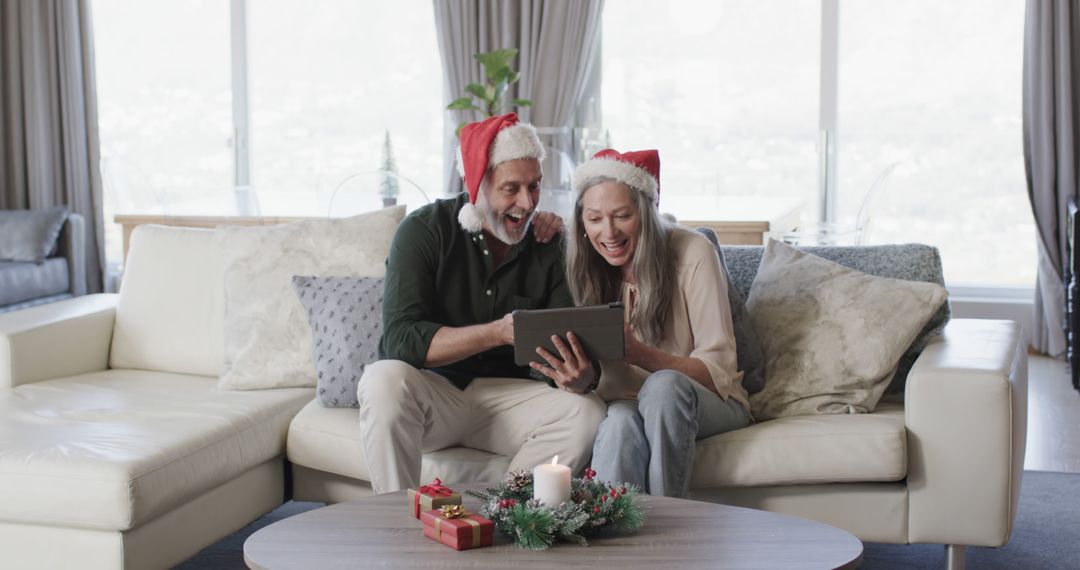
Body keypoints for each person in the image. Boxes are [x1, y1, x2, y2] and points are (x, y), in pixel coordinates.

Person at [357, 113, 605, 494]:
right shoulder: (424, 231)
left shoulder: (551, 243)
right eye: (512, 188)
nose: (527, 202)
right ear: (477, 184)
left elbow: (564, 350)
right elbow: (400, 341)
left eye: (534, 186)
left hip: (512, 399)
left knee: (587, 412)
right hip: (436, 395)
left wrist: (579, 378)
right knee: (382, 379)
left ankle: (503, 514)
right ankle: (398, 522)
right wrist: (495, 333)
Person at [556, 148, 752, 498]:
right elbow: (603, 385)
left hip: (710, 400)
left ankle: (670, 525)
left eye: (622, 215)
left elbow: (719, 370)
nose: (609, 232)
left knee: (663, 388)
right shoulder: (583, 266)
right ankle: (611, 542)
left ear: (646, 213)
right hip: (626, 403)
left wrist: (639, 354)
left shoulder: (693, 252)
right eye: (595, 218)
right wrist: (584, 379)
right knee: (617, 423)